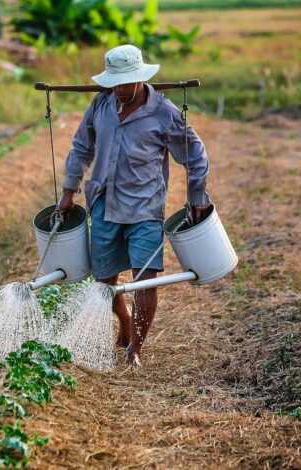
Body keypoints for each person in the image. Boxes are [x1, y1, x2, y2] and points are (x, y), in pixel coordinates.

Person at [58, 44, 211, 367]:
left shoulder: (164, 112)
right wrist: (69, 190)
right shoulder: (101, 105)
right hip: (104, 203)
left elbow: (195, 154)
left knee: (146, 277)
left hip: (145, 207)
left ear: (141, 78)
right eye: (116, 83)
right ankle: (124, 321)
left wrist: (197, 197)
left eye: (127, 82)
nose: (121, 89)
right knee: (105, 281)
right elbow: (81, 147)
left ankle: (135, 350)